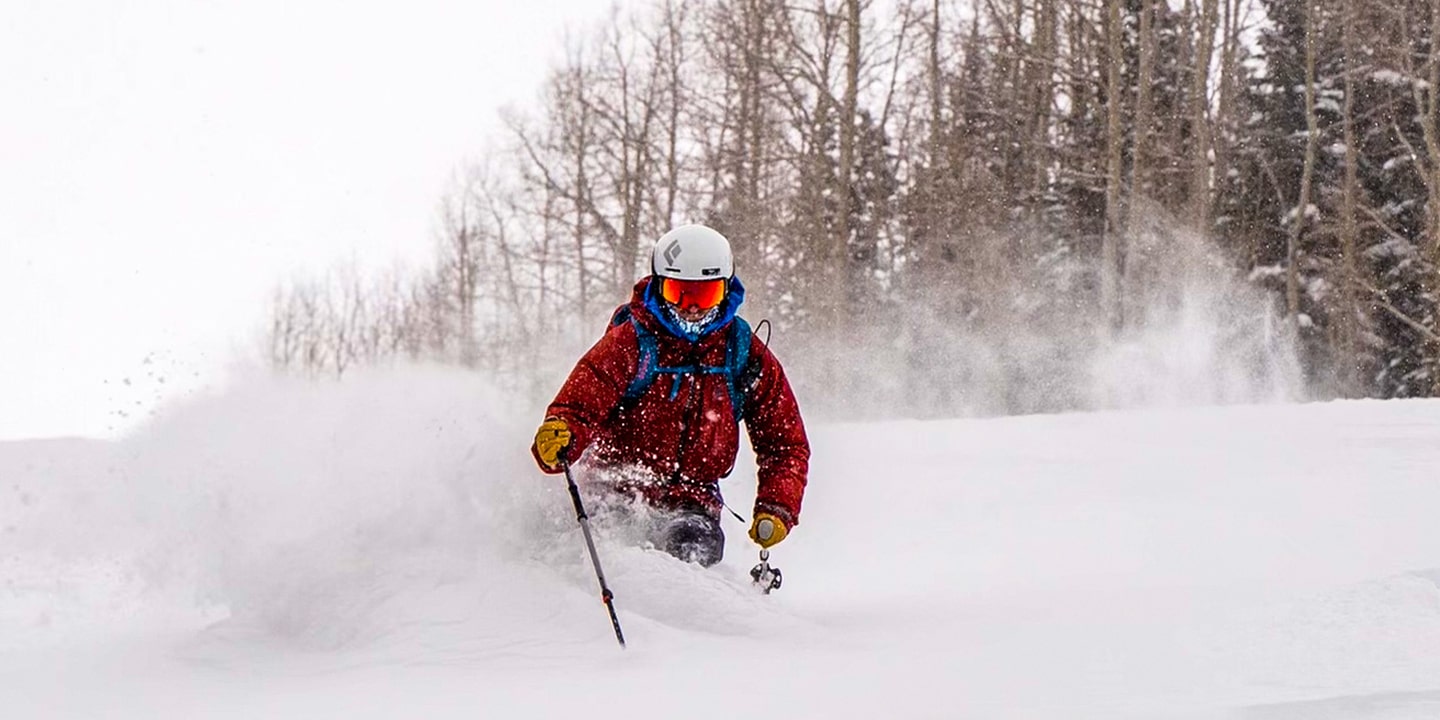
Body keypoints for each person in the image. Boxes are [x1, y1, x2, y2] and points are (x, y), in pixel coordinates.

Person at [530, 224, 810, 567]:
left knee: (691, 552)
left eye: (704, 296)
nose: (692, 308)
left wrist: (776, 506)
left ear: (725, 290)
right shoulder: (632, 342)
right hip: (615, 487)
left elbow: (784, 442)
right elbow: (579, 404)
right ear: (660, 286)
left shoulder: (741, 351)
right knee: (612, 551)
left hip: (693, 500)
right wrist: (562, 435)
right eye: (680, 293)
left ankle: (683, 619)